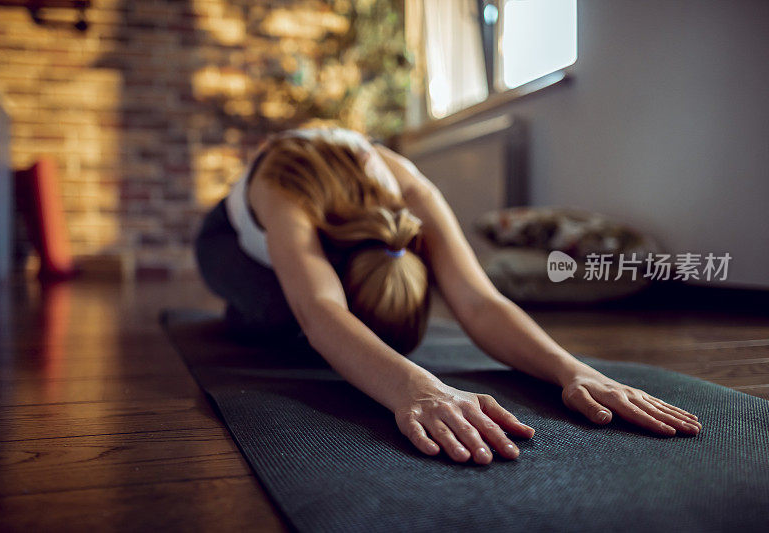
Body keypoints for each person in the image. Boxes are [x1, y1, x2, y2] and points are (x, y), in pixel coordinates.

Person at [195, 126, 701, 465]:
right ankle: (251, 306)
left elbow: (480, 302)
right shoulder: (288, 195)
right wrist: (416, 389)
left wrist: (574, 371)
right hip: (231, 243)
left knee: (323, 315)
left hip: (339, 234)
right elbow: (322, 309)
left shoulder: (413, 194)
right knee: (287, 313)